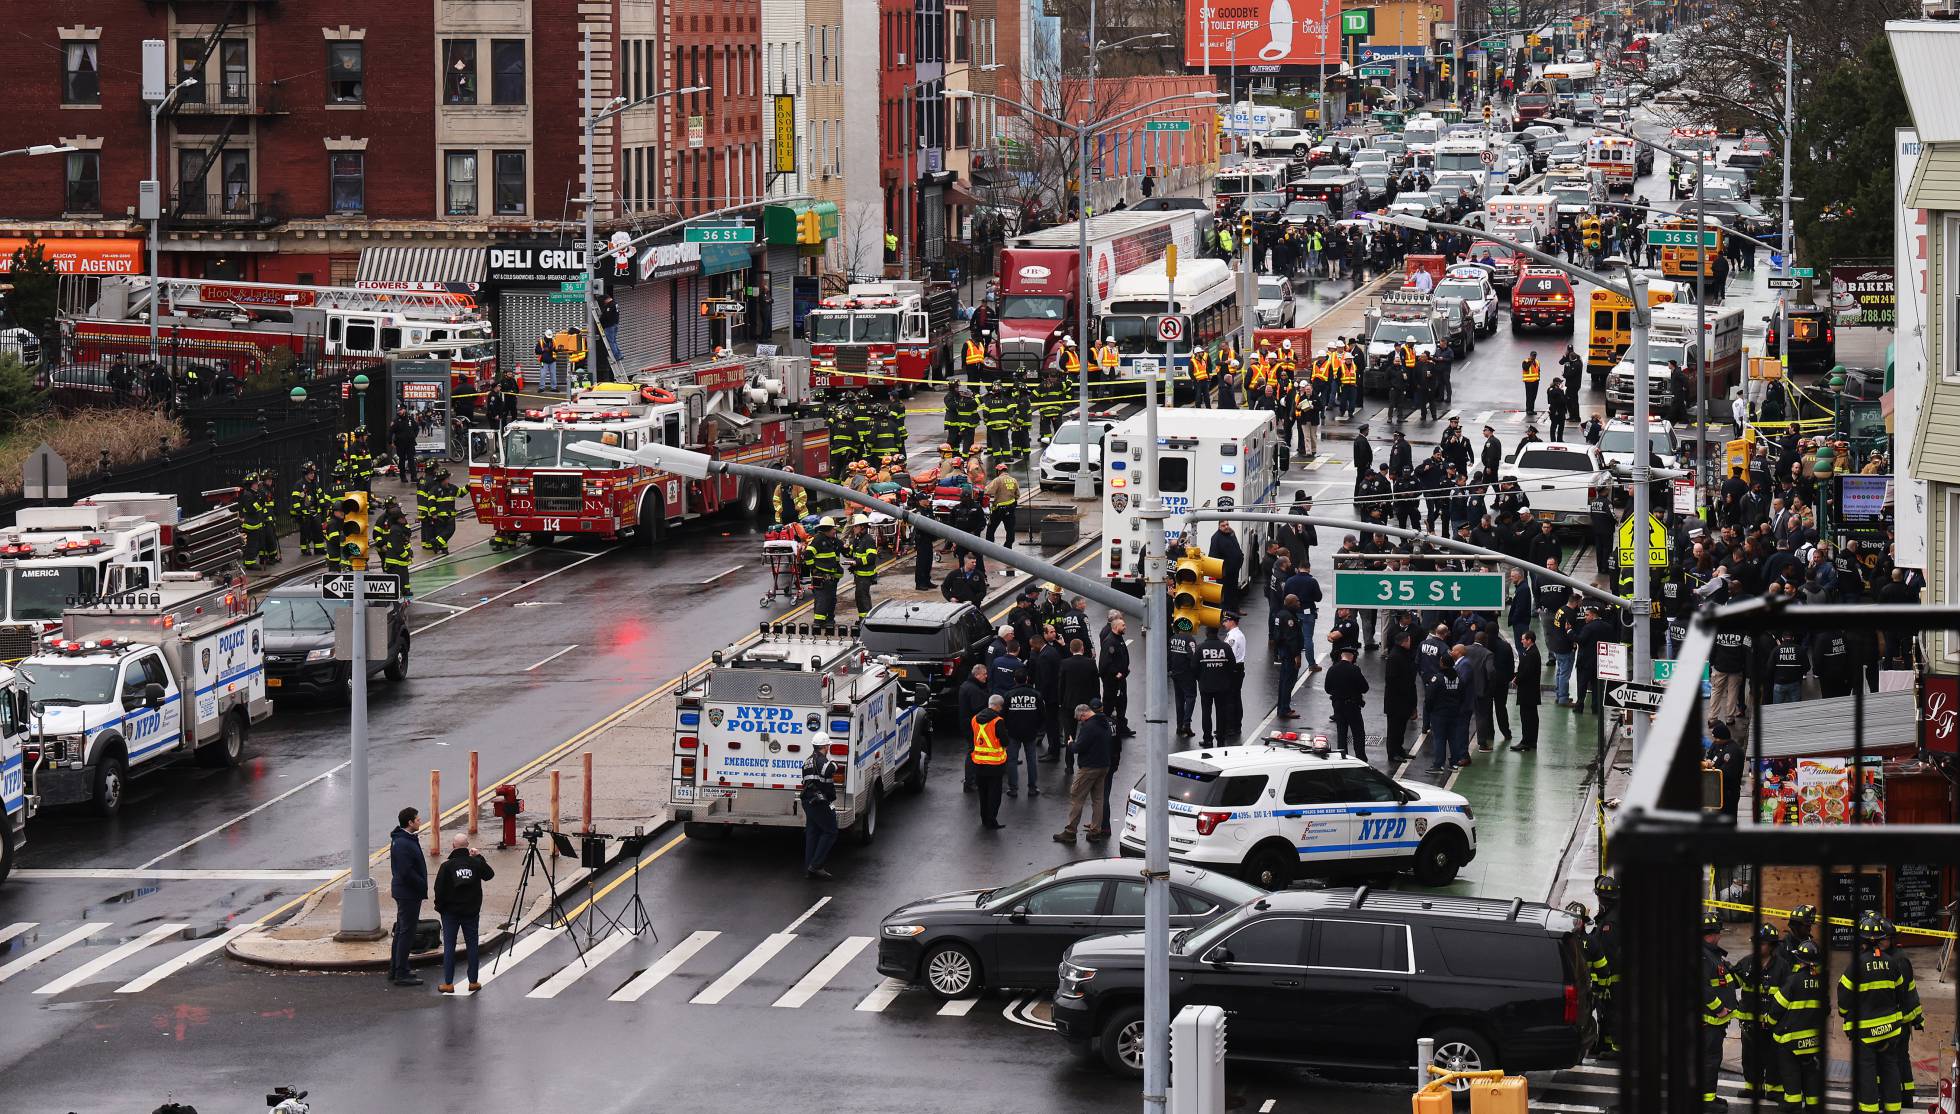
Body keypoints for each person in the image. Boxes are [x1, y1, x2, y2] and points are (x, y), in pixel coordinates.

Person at [1839, 914, 1907, 1114]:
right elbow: (1902, 993)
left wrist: (1846, 1015)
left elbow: (1843, 1000)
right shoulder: (1892, 963)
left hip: (1866, 1031)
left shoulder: (1856, 966)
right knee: (1890, 1067)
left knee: (1867, 1069)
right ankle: (1893, 1108)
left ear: (1862, 942)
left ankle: (1869, 1108)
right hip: (1891, 1029)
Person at [1763, 938, 1825, 1109]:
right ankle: (1813, 1104)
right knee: (1811, 1072)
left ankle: (1793, 1103)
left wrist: (1769, 1022)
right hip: (1813, 1040)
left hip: (1790, 1041)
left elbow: (1777, 1008)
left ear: (1800, 960)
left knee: (1791, 1072)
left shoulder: (1793, 981)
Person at [433, 831, 496, 994]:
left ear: (453, 846)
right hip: (471, 911)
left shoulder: (446, 866)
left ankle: (448, 983)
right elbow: (489, 875)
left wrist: (440, 908)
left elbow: (438, 889)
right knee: (472, 945)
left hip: (450, 912)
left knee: (449, 946)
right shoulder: (475, 863)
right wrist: (479, 857)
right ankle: (473, 981)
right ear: (467, 846)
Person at [1731, 922, 1783, 1103]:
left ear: (1772, 946)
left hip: (1772, 1024)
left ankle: (1774, 1090)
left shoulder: (1782, 968)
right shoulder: (1746, 963)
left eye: (1763, 943)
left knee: (1773, 1058)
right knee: (1750, 1058)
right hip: (1749, 1023)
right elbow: (1731, 984)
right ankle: (1753, 1088)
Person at [1054, 702, 1112, 843]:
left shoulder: (1089, 726)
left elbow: (1079, 747)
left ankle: (1070, 832)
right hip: (1104, 765)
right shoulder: (1106, 722)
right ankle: (1095, 832)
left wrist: (1070, 743)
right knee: (1098, 800)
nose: (1080, 722)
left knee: (1076, 796)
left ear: (1083, 714)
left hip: (1089, 767)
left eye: (1080, 719)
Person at [1698, 909, 1737, 1111]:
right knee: (1709, 1061)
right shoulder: (1703, 957)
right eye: (1718, 932)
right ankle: (1706, 1101)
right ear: (1711, 934)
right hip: (1708, 1021)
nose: (1720, 936)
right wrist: (1720, 1008)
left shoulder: (1711, 954)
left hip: (1713, 1023)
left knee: (1711, 1060)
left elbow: (1722, 981)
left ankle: (1709, 1097)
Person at [387, 807, 427, 988]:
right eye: (417, 819)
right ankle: (401, 972)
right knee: (407, 932)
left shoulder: (403, 839)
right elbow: (405, 871)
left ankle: (396, 968)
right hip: (408, 892)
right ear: (410, 822)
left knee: (402, 929)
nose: (420, 821)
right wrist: (421, 883)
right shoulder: (403, 843)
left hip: (405, 891)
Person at [1587, 875, 1622, 1059]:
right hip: (1613, 978)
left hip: (1614, 979)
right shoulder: (1610, 914)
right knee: (1606, 1013)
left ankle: (1617, 1051)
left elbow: (1607, 955)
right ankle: (1605, 1044)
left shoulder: (1611, 923)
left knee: (1614, 1013)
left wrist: (1603, 982)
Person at [1324, 643, 1370, 761]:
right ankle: (1360, 758)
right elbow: (1365, 688)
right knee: (1358, 733)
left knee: (1341, 732)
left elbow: (1327, 689)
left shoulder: (1332, 669)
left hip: (1337, 705)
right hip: (1352, 705)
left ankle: (1342, 756)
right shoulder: (1354, 669)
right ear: (1352, 656)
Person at [969, 695, 1009, 829]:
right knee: (994, 794)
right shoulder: (998, 721)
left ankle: (984, 819)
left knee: (983, 793)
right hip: (994, 765)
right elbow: (1005, 741)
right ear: (997, 706)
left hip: (978, 763)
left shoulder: (975, 719)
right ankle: (991, 820)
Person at [1002, 670, 1044, 797]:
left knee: (1012, 760)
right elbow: (1042, 714)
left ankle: (1013, 788)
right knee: (1031, 759)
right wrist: (1038, 729)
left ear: (1015, 680)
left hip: (1013, 732)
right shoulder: (1036, 694)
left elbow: (1003, 714)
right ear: (1027, 679)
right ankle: (1032, 788)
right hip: (1030, 732)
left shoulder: (1009, 695)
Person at [800, 746, 840, 878]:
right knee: (830, 831)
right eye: (828, 746)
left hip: (809, 801)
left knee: (813, 833)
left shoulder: (808, 760)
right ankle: (815, 866)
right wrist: (834, 763)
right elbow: (828, 770)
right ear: (825, 747)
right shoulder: (820, 760)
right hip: (819, 802)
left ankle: (809, 869)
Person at [1196, 623, 1239, 744]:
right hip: (1222, 686)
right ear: (1217, 632)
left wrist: (1201, 678)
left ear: (1206, 633)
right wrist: (1226, 678)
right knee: (1221, 712)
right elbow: (1232, 666)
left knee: (1206, 712)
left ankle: (1207, 739)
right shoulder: (1225, 647)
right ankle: (1221, 737)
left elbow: (1194, 667)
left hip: (1206, 686)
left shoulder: (1200, 648)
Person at [1382, 629, 1417, 764]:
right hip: (1396, 701)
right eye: (1409, 640)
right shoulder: (1395, 657)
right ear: (1404, 642)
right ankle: (1392, 753)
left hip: (1404, 700)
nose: (1411, 642)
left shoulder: (1403, 655)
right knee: (1394, 729)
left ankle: (1399, 749)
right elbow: (1391, 680)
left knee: (1401, 727)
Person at [1099, 614, 1133, 737]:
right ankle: (1106, 729)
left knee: (1122, 703)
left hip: (1121, 679)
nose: (1125, 627)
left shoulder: (1119, 638)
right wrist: (1115, 673)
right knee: (1109, 705)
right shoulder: (1110, 641)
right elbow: (1105, 662)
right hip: (1112, 681)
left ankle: (1122, 728)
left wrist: (1125, 670)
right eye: (1123, 625)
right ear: (1115, 627)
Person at [1272, 594, 1305, 721]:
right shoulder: (1288, 618)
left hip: (1284, 652)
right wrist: (1297, 655)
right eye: (1297, 602)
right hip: (1290, 654)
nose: (1299, 604)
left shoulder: (1280, 614)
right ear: (1290, 603)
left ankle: (1282, 707)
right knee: (1288, 682)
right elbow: (1291, 638)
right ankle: (1284, 709)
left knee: (1284, 681)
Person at [1167, 616, 1200, 739]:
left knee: (1179, 700)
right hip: (1187, 674)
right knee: (1191, 697)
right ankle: (1187, 724)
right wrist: (1196, 673)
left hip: (1175, 674)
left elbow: (1169, 656)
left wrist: (1170, 669)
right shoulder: (1190, 640)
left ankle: (1179, 726)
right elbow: (1193, 657)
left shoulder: (1173, 639)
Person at [805, 517, 843, 622]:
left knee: (830, 600)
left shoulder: (830, 540)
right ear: (827, 529)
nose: (835, 531)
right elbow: (807, 554)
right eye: (833, 529)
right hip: (822, 577)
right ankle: (818, 623)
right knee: (822, 600)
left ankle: (829, 620)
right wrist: (814, 569)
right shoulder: (818, 540)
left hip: (830, 578)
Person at [1512, 629, 1542, 753]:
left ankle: (1526, 741)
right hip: (1531, 691)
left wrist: (1516, 680)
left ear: (1529, 640)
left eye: (1524, 639)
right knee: (1532, 717)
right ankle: (1531, 741)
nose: (1522, 641)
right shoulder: (1531, 652)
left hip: (1527, 691)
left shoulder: (1531, 654)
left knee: (1527, 717)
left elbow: (1526, 672)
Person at [845, 516, 880, 615]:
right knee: (859, 598)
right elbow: (849, 553)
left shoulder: (868, 540)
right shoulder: (857, 539)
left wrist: (857, 562)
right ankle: (863, 619)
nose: (853, 528)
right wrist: (843, 547)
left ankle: (866, 620)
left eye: (855, 526)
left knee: (863, 598)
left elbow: (871, 558)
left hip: (866, 575)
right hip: (859, 575)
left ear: (862, 527)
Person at [984, 464, 1019, 546]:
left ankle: (990, 547)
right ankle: (1008, 547)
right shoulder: (1013, 480)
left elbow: (988, 491)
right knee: (1010, 529)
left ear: (998, 471)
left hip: (999, 510)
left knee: (991, 529)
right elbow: (1017, 495)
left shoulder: (998, 480)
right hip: (1010, 509)